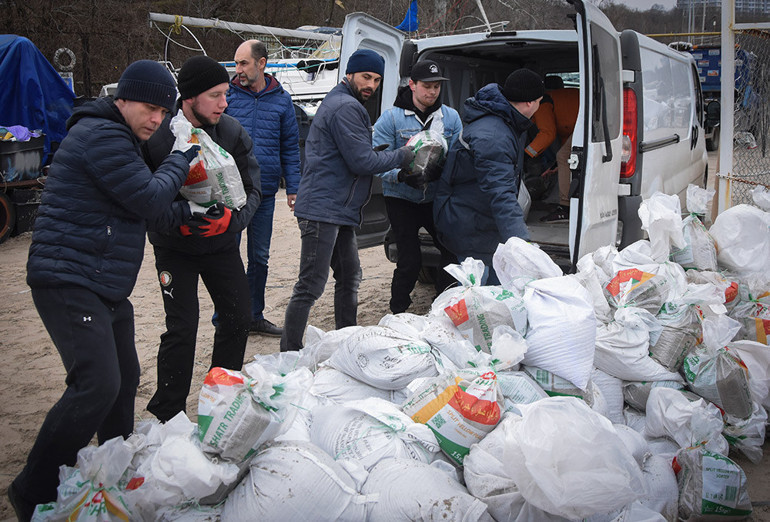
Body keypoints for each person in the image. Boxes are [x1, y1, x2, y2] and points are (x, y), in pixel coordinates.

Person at [8, 60, 195, 521]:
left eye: (163, 111)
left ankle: (114, 468)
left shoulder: (123, 142)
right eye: (149, 107)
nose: (156, 118)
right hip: (68, 278)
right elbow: (150, 196)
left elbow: (144, 209)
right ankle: (31, 488)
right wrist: (180, 160)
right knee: (96, 384)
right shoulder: (102, 136)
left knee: (123, 380)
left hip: (103, 282)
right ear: (123, 99)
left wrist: (193, 215)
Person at [141, 55, 262, 422]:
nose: (224, 104)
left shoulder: (231, 132)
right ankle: (168, 415)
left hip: (221, 244)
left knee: (238, 317)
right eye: (215, 96)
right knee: (183, 327)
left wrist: (232, 220)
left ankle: (221, 400)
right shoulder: (158, 137)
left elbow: (254, 189)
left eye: (226, 94)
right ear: (189, 97)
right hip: (175, 248)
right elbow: (144, 199)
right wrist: (180, 222)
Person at [280, 48, 415, 352]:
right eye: (366, 77)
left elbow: (350, 153)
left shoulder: (343, 103)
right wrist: (402, 156)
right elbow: (362, 162)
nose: (371, 84)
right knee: (310, 285)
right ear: (349, 74)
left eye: (377, 79)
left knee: (350, 275)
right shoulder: (346, 107)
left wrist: (375, 151)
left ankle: (347, 341)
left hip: (337, 209)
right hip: (323, 209)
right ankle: (289, 353)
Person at [433, 68, 544, 285]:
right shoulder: (494, 135)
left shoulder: (502, 123)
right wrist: (523, 245)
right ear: (530, 103)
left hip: (476, 218)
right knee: (481, 299)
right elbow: (500, 194)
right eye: (540, 101)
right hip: (470, 225)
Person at [372, 59, 462, 313]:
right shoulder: (390, 119)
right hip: (401, 198)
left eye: (436, 87)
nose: (432, 92)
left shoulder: (451, 118)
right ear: (412, 85)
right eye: (427, 86)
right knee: (409, 260)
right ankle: (398, 311)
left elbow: (457, 157)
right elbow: (376, 160)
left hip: (436, 197)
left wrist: (443, 173)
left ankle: (442, 307)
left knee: (452, 251)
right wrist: (400, 176)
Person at [227, 39, 301, 337]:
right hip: (230, 192)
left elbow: (290, 147)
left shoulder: (281, 100)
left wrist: (293, 187)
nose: (238, 69)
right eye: (236, 63)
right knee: (227, 256)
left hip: (265, 192)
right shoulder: (228, 96)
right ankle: (228, 317)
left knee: (259, 257)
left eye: (243, 63)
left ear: (261, 63)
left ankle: (254, 316)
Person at [524, 75, 579, 223]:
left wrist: (527, 155)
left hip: (587, 124)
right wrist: (556, 166)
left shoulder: (542, 102)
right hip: (587, 123)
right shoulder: (564, 98)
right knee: (564, 157)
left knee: (563, 156)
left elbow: (547, 134)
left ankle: (565, 208)